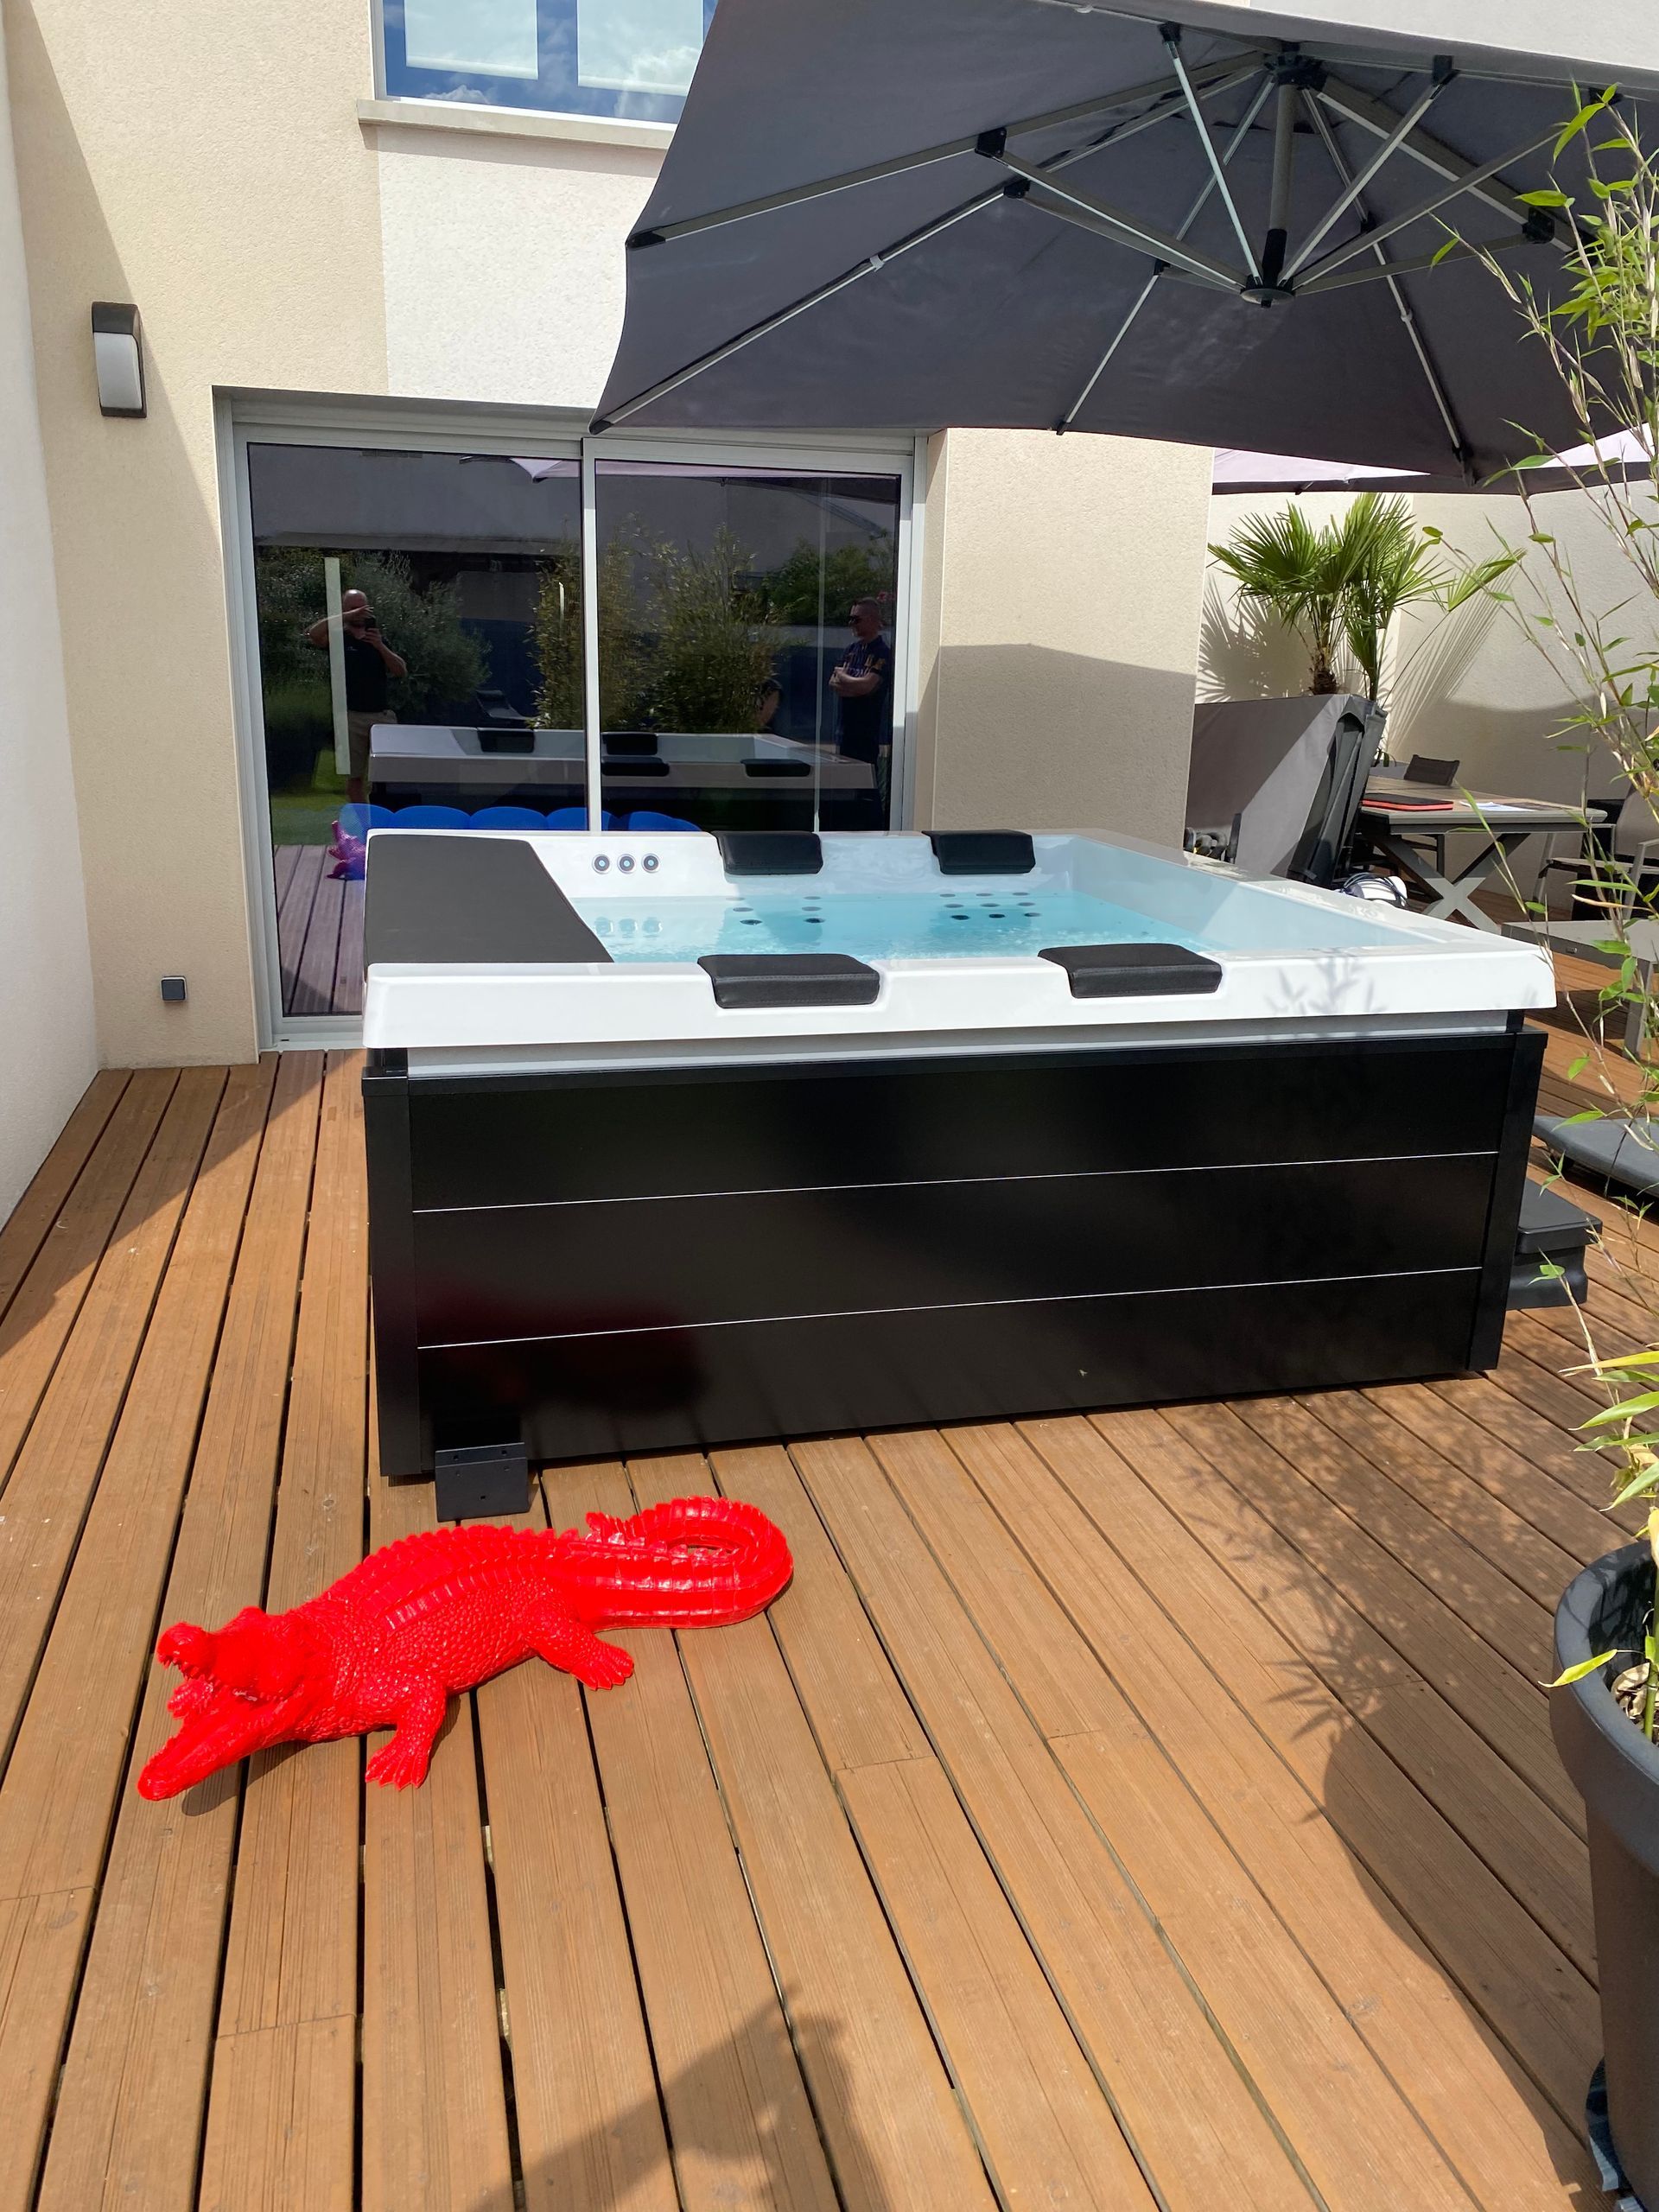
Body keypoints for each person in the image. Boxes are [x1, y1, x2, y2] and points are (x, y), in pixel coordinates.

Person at [306, 588, 406, 804]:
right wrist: (345, 618)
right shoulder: (339, 639)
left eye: (364, 607)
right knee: (355, 777)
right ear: (345, 610)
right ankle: (362, 826)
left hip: (381, 716)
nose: (360, 612)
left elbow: (400, 671)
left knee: (388, 775)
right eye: (354, 608)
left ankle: (386, 819)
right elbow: (313, 634)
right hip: (352, 717)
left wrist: (380, 646)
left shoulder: (377, 639)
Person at [828, 600, 893, 799]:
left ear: (872, 620)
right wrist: (853, 686)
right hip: (845, 732)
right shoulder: (851, 650)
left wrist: (844, 678)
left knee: (864, 789)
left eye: (856, 619)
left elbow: (867, 686)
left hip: (867, 734)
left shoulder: (881, 652)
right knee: (845, 787)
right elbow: (834, 684)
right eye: (850, 619)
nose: (851, 624)